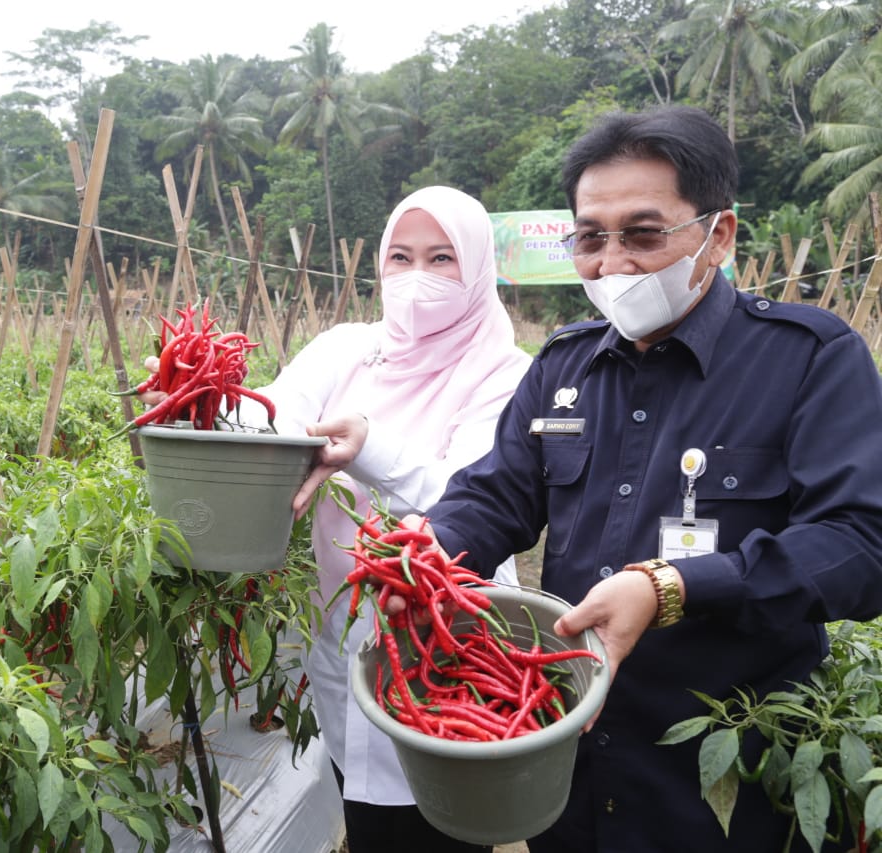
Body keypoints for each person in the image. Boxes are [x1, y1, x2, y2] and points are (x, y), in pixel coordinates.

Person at [328, 106, 882, 851]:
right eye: (590, 237)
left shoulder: (807, 358)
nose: (612, 261)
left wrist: (673, 588)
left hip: (722, 783)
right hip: (573, 766)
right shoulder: (564, 364)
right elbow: (498, 493)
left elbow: (860, 544)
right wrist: (428, 549)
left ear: (718, 234)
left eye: (644, 233)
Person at [145, 187, 532, 850]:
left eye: (441, 259)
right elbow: (272, 418)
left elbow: (478, 496)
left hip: (448, 639)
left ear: (476, 269)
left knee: (441, 820)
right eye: (401, 257)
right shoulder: (349, 348)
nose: (417, 277)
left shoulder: (506, 371)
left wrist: (369, 444)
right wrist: (198, 401)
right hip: (344, 635)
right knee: (365, 801)